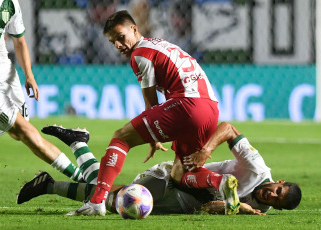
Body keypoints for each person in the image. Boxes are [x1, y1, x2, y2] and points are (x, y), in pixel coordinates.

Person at [70, 10, 231, 216]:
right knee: (180, 172)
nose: (119, 45)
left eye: (121, 38)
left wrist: (152, 137)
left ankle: (96, 202)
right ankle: (220, 181)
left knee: (121, 138)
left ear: (134, 29)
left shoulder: (140, 55)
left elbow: (151, 104)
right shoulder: (159, 44)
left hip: (187, 105)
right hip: (210, 108)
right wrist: (155, 135)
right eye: (113, 42)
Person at [17, 122, 302, 215]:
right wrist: (207, 150)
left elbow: (211, 208)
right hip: (174, 177)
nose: (271, 195)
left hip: (184, 203)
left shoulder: (260, 210)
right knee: (108, 197)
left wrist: (233, 207)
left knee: (109, 197)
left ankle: (78, 145)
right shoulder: (256, 167)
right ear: (281, 181)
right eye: (278, 190)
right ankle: (49, 184)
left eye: (276, 200)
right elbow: (227, 128)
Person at [0, 0, 97, 183]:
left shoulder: (10, 3)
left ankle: (77, 141)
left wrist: (29, 75)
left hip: (9, 76)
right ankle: (81, 177)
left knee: (19, 133)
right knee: (26, 133)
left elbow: (19, 42)